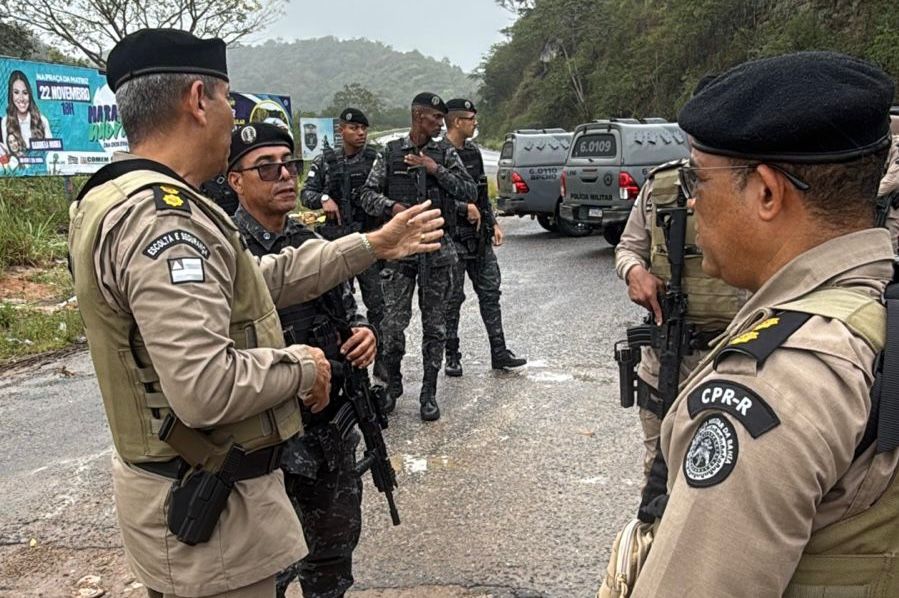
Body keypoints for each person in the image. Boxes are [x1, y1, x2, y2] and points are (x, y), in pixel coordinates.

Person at [67, 28, 443, 598]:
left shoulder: (124, 197)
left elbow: (255, 282)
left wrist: (373, 244)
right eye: (224, 99)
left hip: (197, 500)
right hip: (211, 519)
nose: (227, 114)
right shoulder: (164, 222)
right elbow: (204, 385)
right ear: (198, 100)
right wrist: (305, 367)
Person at [618, 52, 899, 597]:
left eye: (701, 179)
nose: (692, 200)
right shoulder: (878, 312)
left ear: (767, 193)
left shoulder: (774, 386)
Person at [226, 123, 373, 598]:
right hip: (267, 447)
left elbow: (348, 313)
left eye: (290, 164)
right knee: (268, 575)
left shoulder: (312, 242)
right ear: (236, 180)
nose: (284, 175)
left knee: (331, 566)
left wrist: (364, 334)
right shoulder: (226, 252)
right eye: (266, 167)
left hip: (328, 434)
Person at [360, 92, 476, 421]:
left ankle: (428, 392)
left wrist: (435, 168)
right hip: (400, 254)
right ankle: (390, 385)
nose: (440, 124)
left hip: (438, 252)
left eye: (443, 119)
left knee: (435, 327)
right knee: (392, 325)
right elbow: (367, 194)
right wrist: (393, 208)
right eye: (435, 118)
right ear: (417, 116)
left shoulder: (444, 153)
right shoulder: (392, 153)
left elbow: (469, 192)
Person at [441, 98, 526, 376]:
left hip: (478, 238)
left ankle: (499, 352)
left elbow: (480, 195)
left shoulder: (474, 153)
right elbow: (432, 200)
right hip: (451, 239)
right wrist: (462, 207)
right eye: (470, 118)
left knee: (491, 293)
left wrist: (493, 222)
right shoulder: (436, 153)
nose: (475, 123)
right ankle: (452, 355)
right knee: (453, 299)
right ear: (456, 121)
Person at [301, 107, 386, 380]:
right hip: (336, 246)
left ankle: (382, 364)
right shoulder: (326, 160)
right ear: (342, 130)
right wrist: (324, 198)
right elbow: (307, 193)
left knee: (379, 308)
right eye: (354, 128)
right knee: (337, 309)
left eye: (363, 128)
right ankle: (344, 367)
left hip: (366, 245)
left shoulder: (375, 159)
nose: (360, 133)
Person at [2, 70, 51, 154]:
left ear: (30, 94)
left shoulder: (42, 120)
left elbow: (51, 152)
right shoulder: (6, 121)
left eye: (25, 93)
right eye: (16, 92)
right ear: (11, 94)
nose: (21, 98)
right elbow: (8, 154)